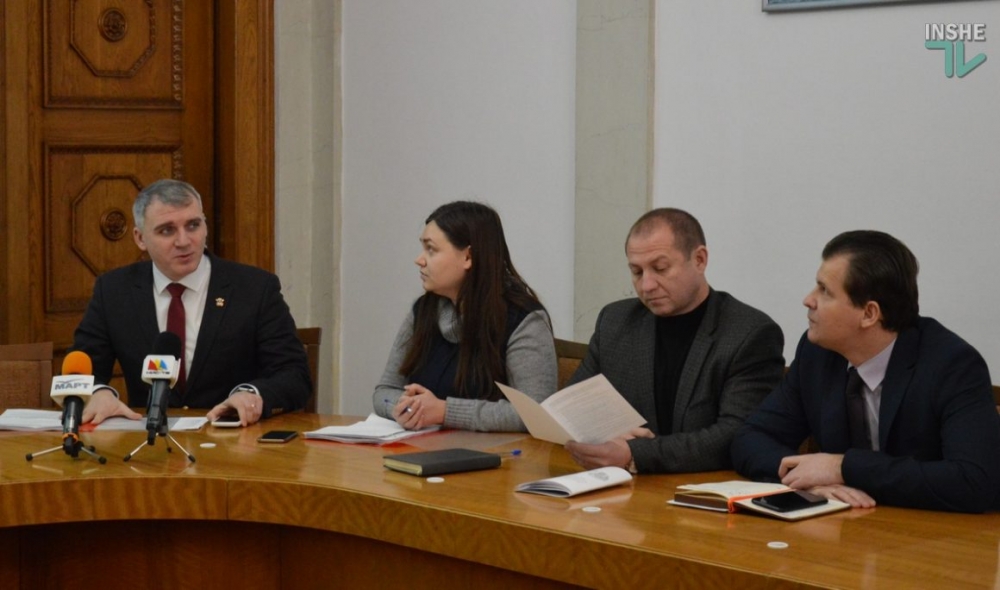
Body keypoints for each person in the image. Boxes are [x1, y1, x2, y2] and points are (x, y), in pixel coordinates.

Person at [732, 230, 1000, 513]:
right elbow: (751, 438)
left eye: (825, 291)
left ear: (869, 314)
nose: (808, 300)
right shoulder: (817, 354)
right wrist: (806, 480)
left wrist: (843, 467)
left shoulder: (952, 365)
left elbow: (975, 480)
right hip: (845, 525)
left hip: (927, 531)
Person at [72, 179, 311, 427]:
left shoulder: (254, 288)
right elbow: (80, 369)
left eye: (193, 225)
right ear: (140, 238)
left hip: (232, 438)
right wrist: (97, 393)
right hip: (147, 440)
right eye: (167, 230)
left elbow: (294, 375)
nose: (184, 241)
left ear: (205, 226)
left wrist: (251, 395)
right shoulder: (114, 290)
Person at [565, 208, 785, 474]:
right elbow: (571, 406)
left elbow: (735, 434)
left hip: (704, 487)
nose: (646, 285)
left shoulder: (749, 333)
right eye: (637, 272)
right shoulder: (615, 321)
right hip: (618, 484)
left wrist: (634, 453)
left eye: (660, 268)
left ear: (700, 260)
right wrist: (605, 436)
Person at [373, 201, 557, 432]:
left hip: (496, 453)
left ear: (468, 257)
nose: (419, 260)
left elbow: (536, 414)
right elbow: (384, 391)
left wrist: (444, 411)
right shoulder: (423, 310)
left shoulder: (524, 320)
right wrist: (406, 408)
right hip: (425, 447)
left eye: (431, 249)